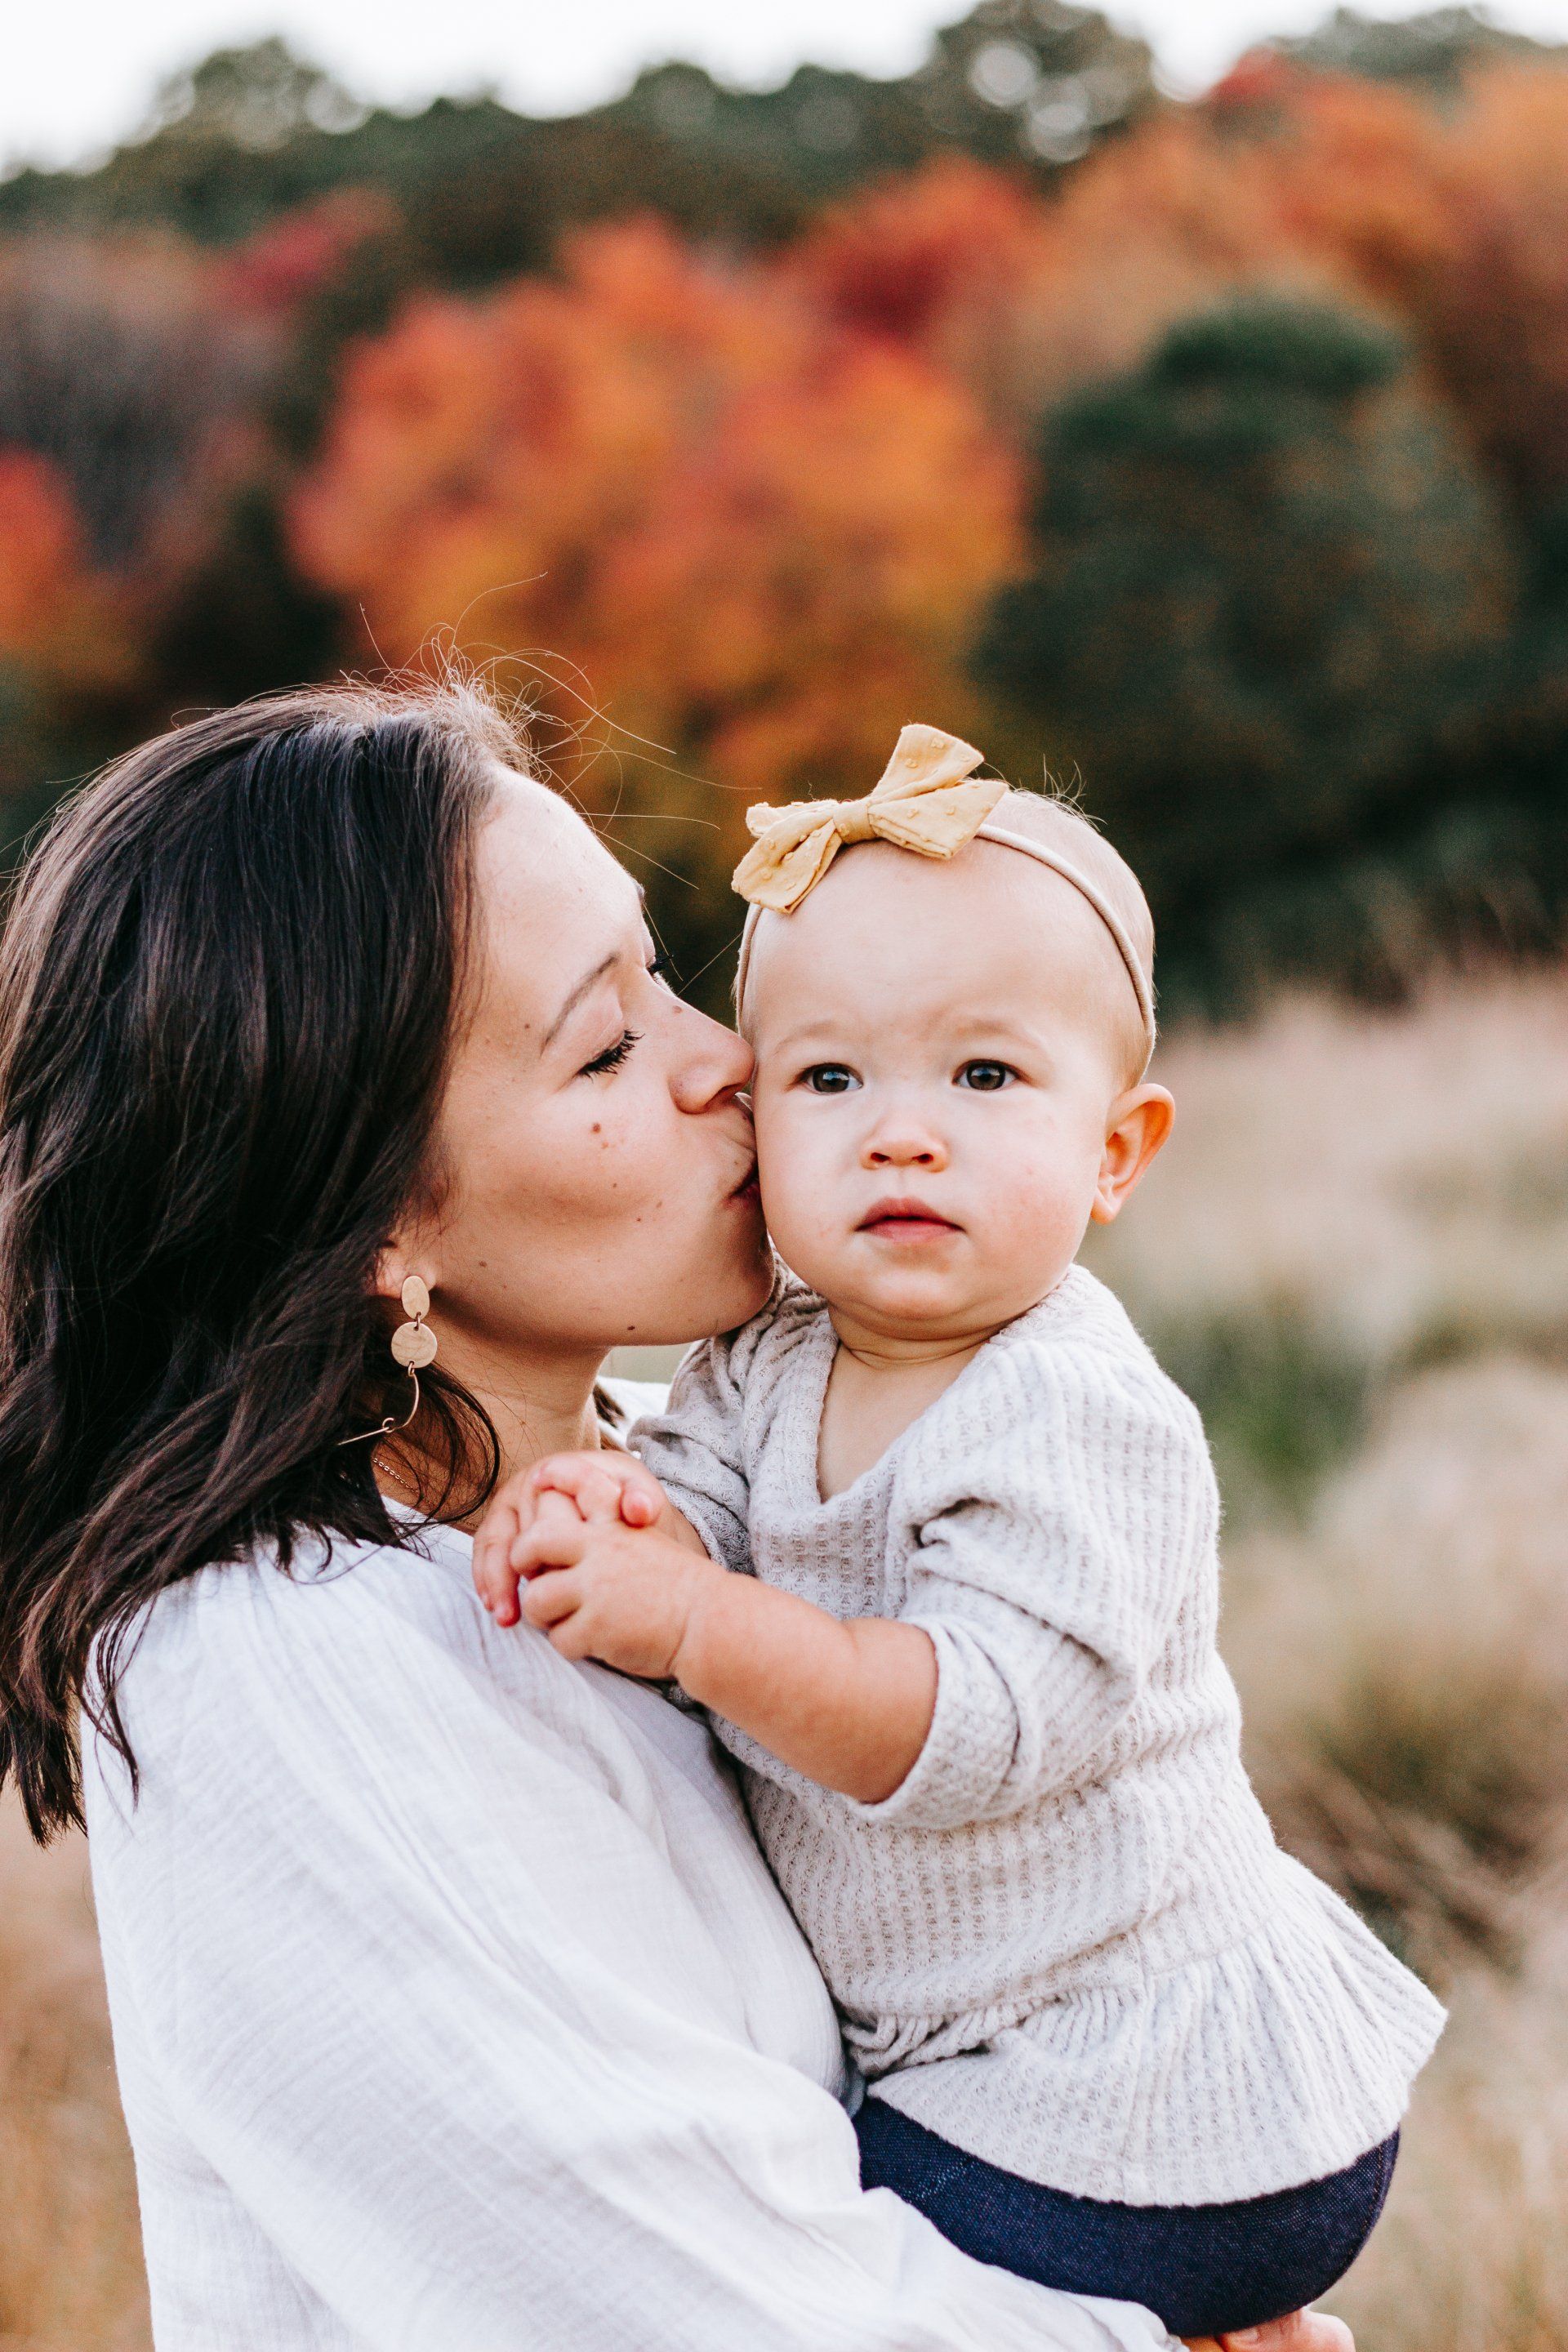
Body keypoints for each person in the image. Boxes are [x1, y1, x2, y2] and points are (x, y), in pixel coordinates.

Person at [0, 677, 1354, 2352]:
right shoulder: (285, 1676)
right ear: (375, 1222)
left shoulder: (681, 1486)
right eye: (608, 1042)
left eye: (665, 976)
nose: (732, 1064)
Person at [471, 725, 1443, 2337]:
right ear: (758, 1114)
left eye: (983, 1077)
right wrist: (603, 1513)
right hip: (980, 2063)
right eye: (830, 1079)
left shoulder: (1076, 1415)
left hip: (1153, 2091)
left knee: (774, 2255)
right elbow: (687, 1509)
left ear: (1115, 1151)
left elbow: (966, 1729)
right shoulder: (764, 1358)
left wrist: (695, 1622)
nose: (902, 1133)